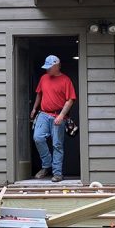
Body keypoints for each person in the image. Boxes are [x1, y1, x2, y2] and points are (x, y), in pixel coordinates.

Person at [30, 54, 77, 182]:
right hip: (44, 114)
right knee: (38, 137)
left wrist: (62, 115)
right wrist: (34, 109)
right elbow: (39, 94)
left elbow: (70, 100)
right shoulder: (44, 78)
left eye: (49, 67)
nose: (47, 70)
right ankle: (46, 165)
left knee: (57, 144)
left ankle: (57, 173)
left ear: (57, 66)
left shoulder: (66, 80)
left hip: (58, 115)